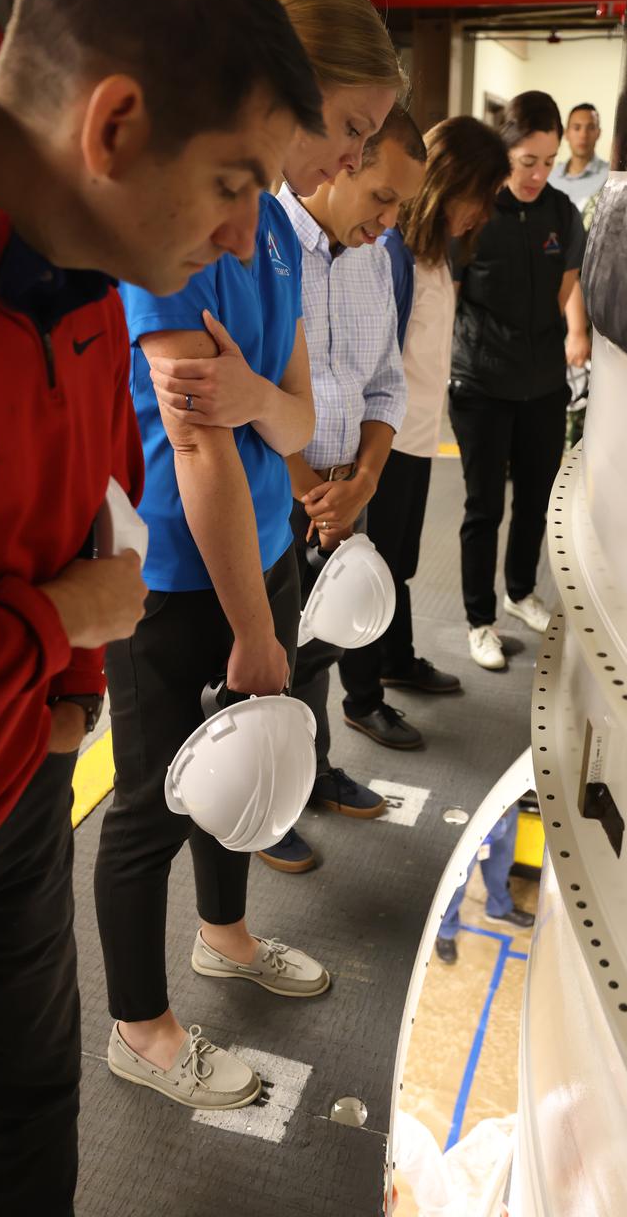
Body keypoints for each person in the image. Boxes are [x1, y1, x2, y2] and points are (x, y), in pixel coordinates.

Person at [0, 0, 320, 1210]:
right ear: (115, 124)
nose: (248, 229)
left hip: (22, 761)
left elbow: (81, 493)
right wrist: (61, 628)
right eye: (235, 184)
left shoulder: (82, 254)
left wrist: (67, 686)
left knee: (30, 1101)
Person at [94, 0, 406, 1115]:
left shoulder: (271, 226)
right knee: (152, 804)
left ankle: (222, 936)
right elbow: (202, 447)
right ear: (291, 86)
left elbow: (290, 408)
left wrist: (254, 401)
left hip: (259, 544)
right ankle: (141, 1028)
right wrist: (253, 626)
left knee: (247, 758)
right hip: (173, 569)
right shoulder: (187, 221)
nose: (352, 160)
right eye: (351, 129)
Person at [262, 107, 426, 872]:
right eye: (383, 198)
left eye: (402, 208)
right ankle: (267, 802)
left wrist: (360, 481)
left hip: (339, 494)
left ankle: (313, 771)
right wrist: (303, 488)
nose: (390, 221)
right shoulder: (263, 243)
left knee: (319, 650)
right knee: (265, 661)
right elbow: (252, 392)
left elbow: (387, 386)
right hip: (271, 492)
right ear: (346, 161)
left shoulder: (373, 256)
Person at [339, 116, 510, 748]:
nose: (484, 213)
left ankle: (396, 658)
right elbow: (371, 360)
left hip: (412, 438)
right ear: (451, 184)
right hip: (382, 443)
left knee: (399, 562)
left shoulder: (435, 252)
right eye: (482, 197)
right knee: (372, 569)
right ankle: (362, 696)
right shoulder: (392, 254)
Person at [450, 91, 590, 671]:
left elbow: (566, 284)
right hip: (481, 382)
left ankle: (520, 590)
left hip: (542, 381)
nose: (537, 173)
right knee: (484, 507)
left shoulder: (560, 211)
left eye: (548, 161)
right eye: (527, 160)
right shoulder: (475, 213)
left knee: (535, 499)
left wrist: (567, 336)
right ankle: (480, 620)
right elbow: (451, 294)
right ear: (504, 151)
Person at [435, 806, 534, 965]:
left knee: (501, 863)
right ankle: (445, 932)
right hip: (469, 817)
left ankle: (499, 909)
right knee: (456, 882)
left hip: (507, 809)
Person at [548, 101, 610, 224]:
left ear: (598, 133)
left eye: (591, 128)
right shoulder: (550, 177)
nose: (583, 135)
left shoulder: (609, 178)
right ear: (566, 133)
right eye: (577, 128)